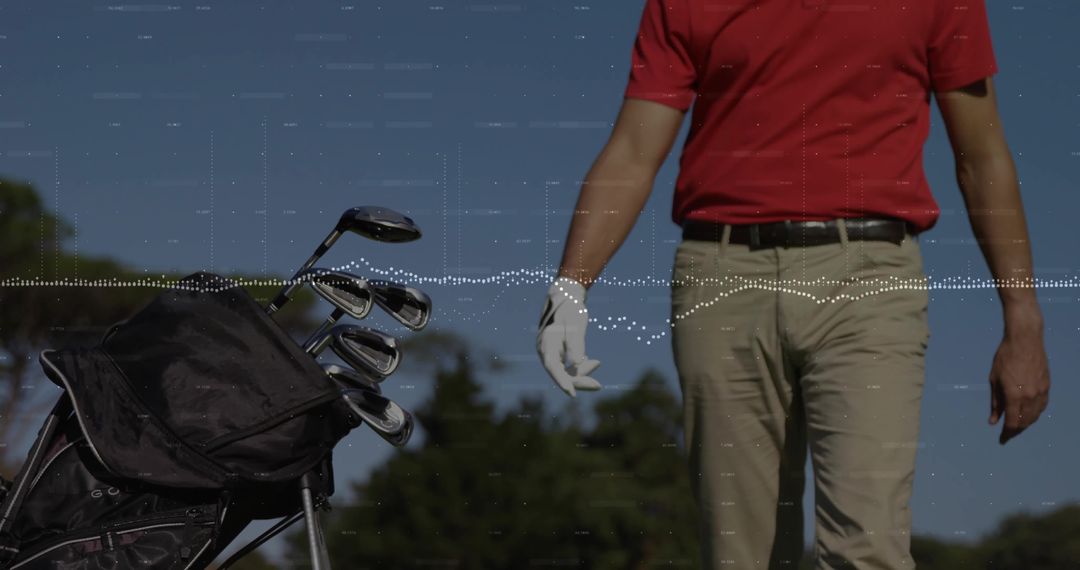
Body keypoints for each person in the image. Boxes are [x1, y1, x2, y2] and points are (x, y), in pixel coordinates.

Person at [536, 0, 1051, 568]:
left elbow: (982, 156)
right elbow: (633, 153)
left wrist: (1022, 317)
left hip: (870, 278)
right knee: (739, 555)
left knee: (868, 550)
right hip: (720, 279)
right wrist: (570, 288)